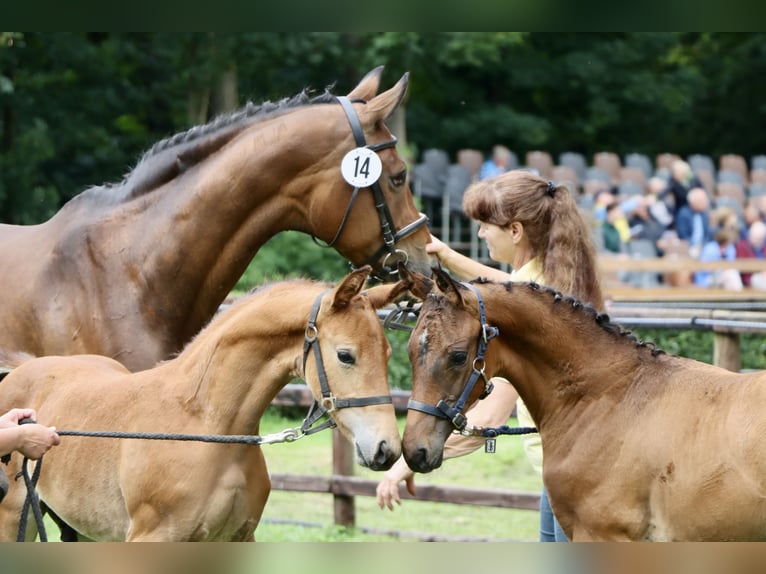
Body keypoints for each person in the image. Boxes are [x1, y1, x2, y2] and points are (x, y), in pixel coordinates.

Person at [376, 170, 604, 542]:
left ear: (515, 231)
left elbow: (490, 415)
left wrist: (408, 461)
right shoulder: (550, 279)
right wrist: (448, 256)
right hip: (565, 464)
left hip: (576, 473)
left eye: (485, 226)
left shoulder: (528, 311)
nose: (481, 234)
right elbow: (505, 287)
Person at [675, 187, 711, 258]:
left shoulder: (704, 214)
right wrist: (694, 244)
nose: (705, 203)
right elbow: (683, 235)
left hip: (703, 246)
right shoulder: (683, 214)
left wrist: (702, 245)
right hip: (688, 246)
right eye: (702, 200)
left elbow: (706, 234)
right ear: (692, 201)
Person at [735, 220, 766, 289]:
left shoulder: (763, 247)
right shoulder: (742, 246)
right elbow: (742, 265)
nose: (754, 240)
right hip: (750, 277)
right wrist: (761, 271)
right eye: (753, 236)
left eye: (758, 238)